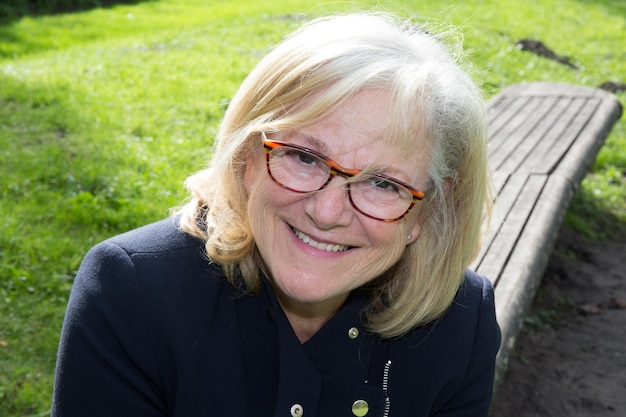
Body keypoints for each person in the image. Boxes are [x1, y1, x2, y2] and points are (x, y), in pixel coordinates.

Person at [51, 12, 500, 417]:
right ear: (246, 157)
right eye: (304, 157)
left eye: (383, 184)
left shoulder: (461, 326)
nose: (326, 212)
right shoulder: (133, 293)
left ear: (428, 210)